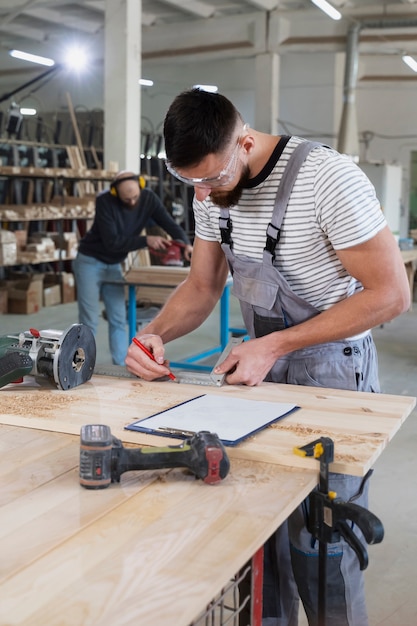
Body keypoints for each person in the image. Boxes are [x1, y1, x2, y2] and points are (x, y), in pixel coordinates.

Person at [125, 89, 410, 625]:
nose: (203, 196)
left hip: (332, 369)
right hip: (258, 374)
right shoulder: (209, 188)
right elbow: (203, 285)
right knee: (259, 539)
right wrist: (153, 333)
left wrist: (274, 345)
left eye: (212, 180)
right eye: (191, 183)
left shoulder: (328, 180)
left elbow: (391, 295)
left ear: (246, 142)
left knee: (320, 543)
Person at [73, 171, 193, 366]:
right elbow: (112, 242)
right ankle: (83, 366)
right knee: (89, 320)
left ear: (141, 187)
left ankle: (121, 365)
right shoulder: (105, 202)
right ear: (115, 193)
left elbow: (168, 223)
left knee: (118, 317)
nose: (131, 202)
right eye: (126, 199)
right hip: (90, 262)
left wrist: (185, 242)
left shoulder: (148, 199)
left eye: (135, 197)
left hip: (114, 264)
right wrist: (146, 240)